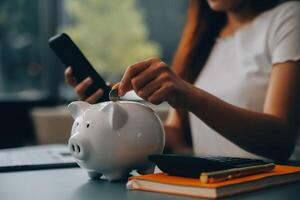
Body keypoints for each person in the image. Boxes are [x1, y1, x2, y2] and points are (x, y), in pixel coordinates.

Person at [65, 0, 300, 162]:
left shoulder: (288, 18)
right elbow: (176, 137)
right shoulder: (201, 41)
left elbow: (281, 141)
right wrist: (113, 115)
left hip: (269, 187)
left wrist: (191, 96)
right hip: (208, 187)